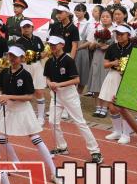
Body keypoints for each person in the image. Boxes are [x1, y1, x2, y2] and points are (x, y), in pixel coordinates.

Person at [0, 46, 63, 184]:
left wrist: (8, 96)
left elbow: (29, 96)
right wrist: (0, 96)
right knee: (1, 137)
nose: (12, 58)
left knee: (36, 139)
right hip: (9, 108)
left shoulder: (25, 75)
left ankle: (54, 172)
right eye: (10, 55)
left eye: (15, 56)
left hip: (23, 109)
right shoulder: (4, 73)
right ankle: (15, 162)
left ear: (21, 59)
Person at [43, 36, 103, 164]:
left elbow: (77, 80)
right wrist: (49, 83)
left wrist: (57, 84)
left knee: (80, 123)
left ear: (62, 45)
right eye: (50, 44)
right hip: (56, 95)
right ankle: (61, 147)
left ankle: (96, 152)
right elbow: (47, 77)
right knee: (52, 122)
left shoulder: (68, 60)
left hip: (69, 94)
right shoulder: (49, 61)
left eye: (55, 44)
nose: (52, 46)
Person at [99, 24, 134, 144]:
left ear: (128, 35)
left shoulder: (135, 48)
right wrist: (114, 63)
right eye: (117, 34)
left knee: (124, 107)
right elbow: (105, 65)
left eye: (121, 34)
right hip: (113, 76)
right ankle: (117, 131)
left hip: (128, 78)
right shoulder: (112, 47)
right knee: (112, 107)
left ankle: (126, 134)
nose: (118, 36)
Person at [15, 19, 47, 125]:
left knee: (39, 91)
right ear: (21, 29)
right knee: (24, 92)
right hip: (24, 68)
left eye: (28, 27)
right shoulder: (19, 42)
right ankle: (24, 115)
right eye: (24, 27)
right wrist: (37, 55)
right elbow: (21, 58)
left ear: (32, 28)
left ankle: (41, 116)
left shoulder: (37, 39)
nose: (26, 29)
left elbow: (44, 53)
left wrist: (35, 56)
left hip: (37, 66)